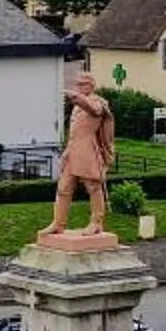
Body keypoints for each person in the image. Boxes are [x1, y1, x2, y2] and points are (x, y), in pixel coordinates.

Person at [45, 69, 114, 237]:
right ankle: (58, 223)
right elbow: (74, 132)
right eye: (77, 84)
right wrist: (66, 151)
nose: (79, 87)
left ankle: (96, 222)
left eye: (82, 84)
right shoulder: (77, 107)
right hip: (73, 149)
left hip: (88, 150)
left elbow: (93, 109)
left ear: (91, 85)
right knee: (63, 188)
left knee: (93, 187)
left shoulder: (99, 102)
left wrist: (74, 96)